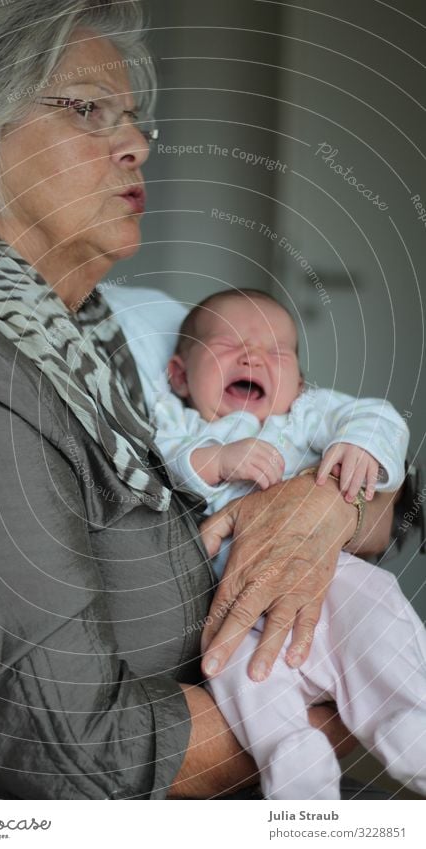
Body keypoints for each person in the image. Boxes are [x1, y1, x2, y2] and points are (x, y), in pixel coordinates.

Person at [0, 0, 397, 800]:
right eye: (88, 110)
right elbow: (65, 751)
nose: (134, 145)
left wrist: (323, 505)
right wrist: (354, 699)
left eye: (132, 118)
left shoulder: (139, 322)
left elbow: (358, 472)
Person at [116, 287, 424, 799]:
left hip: (333, 580)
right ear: (177, 375)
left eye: (275, 350)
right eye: (227, 344)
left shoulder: (306, 415)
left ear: (299, 383)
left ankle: (407, 719)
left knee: (376, 611)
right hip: (239, 597)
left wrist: (359, 443)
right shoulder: (178, 422)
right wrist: (215, 461)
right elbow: (170, 458)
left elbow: (377, 415)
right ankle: (292, 759)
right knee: (234, 667)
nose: (253, 355)